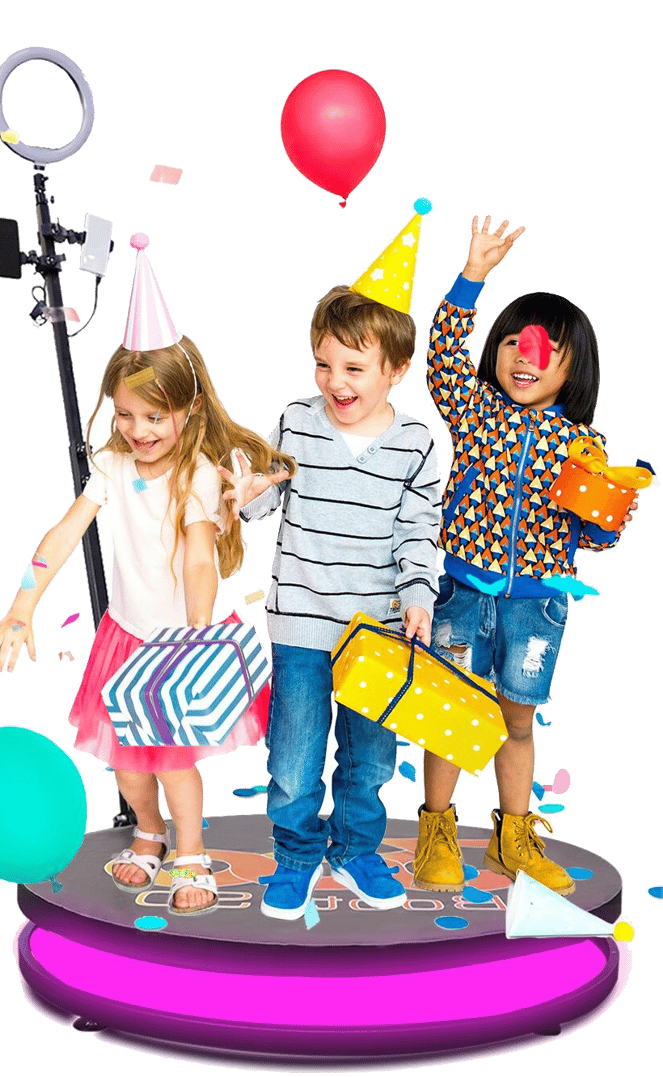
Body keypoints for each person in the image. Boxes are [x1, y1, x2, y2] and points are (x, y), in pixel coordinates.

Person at [0, 233, 294, 915]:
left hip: (175, 641)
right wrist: (22, 605)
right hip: (122, 640)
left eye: (155, 415)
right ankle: (147, 833)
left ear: (189, 409)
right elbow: (66, 532)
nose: (138, 429)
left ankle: (190, 852)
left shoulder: (198, 474)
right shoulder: (112, 468)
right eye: (125, 414)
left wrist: (197, 631)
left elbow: (200, 554)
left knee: (173, 760)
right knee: (127, 761)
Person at [220, 203, 441, 919]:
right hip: (302, 624)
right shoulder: (296, 422)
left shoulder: (415, 445)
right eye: (322, 363)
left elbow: (419, 530)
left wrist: (419, 595)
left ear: (396, 368)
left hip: (379, 630)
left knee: (370, 759)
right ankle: (294, 856)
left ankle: (354, 850)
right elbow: (265, 497)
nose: (334, 381)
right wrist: (244, 496)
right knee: (293, 758)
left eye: (353, 367)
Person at [414, 215, 637, 896]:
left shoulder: (583, 443)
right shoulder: (476, 410)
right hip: (463, 592)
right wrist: (471, 277)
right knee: (449, 713)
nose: (525, 354)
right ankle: (436, 827)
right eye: (514, 341)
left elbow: (593, 537)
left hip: (536, 605)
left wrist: (607, 515)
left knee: (517, 721)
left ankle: (512, 837)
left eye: (546, 348)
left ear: (573, 367)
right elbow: (443, 358)